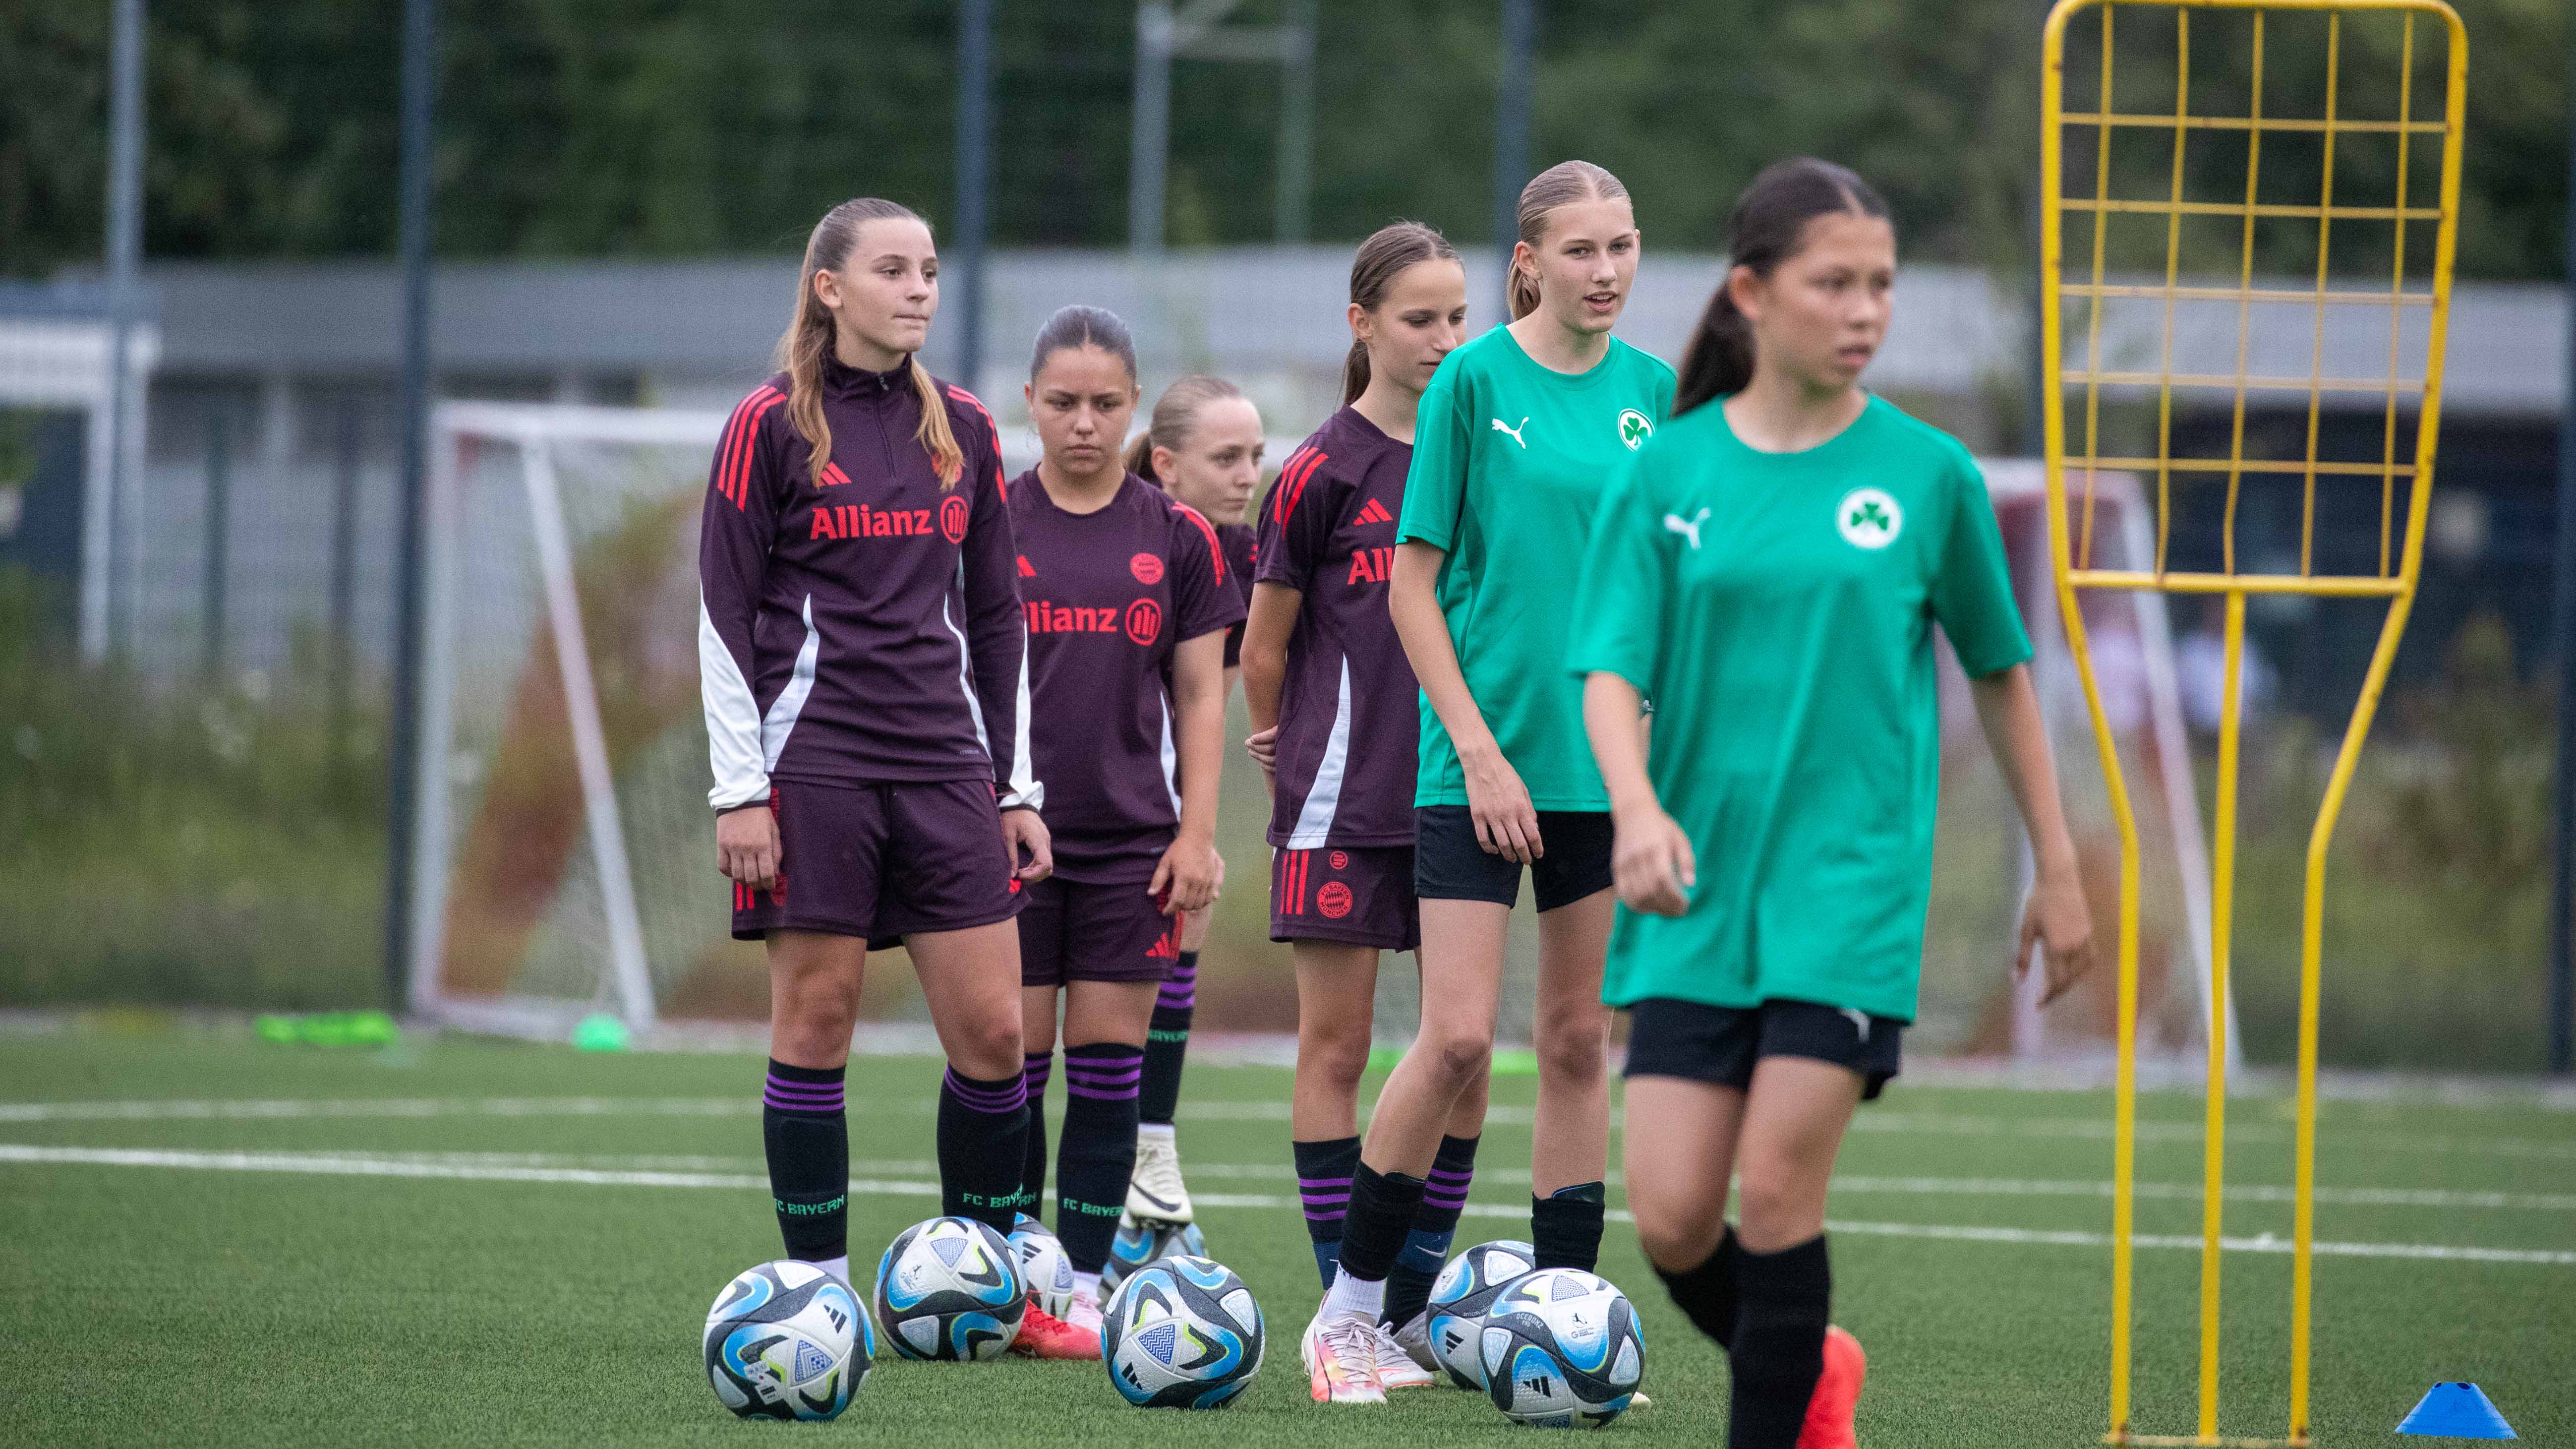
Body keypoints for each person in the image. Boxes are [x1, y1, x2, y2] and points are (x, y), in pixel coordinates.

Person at [1568, 157, 2098, 1449]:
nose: (1864, 309)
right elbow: (1605, 670)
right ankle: (1812, 1368)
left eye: (1881, 285)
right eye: (1834, 283)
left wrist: (2060, 862)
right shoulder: (1669, 471)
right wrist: (1634, 809)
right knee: (1676, 1218)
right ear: (1752, 293)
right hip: (1693, 894)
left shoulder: (1928, 478)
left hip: (1845, 891)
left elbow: (2002, 673)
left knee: (1771, 1191)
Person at [1303, 161, 1676, 1402]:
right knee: (1459, 1037)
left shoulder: (1656, 397)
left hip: (1601, 778)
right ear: (1528, 262)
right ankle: (1350, 1318)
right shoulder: (1472, 382)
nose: (1608, 271)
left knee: (1578, 1043)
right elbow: (1414, 585)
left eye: (1623, 246)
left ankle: (1571, 1309)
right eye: (1581, 250)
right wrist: (1476, 748)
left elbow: (1664, 594)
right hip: (1473, 767)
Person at [700, 198, 1051, 1307]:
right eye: (893, 270)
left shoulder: (968, 428)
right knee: (817, 1018)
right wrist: (739, 789)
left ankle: (984, 1286)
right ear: (829, 288)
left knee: (996, 1032)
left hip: (948, 762)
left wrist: (1015, 787)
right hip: (813, 765)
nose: (918, 290)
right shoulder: (768, 426)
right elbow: (719, 611)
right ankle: (817, 1294)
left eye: (930, 271)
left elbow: (999, 617)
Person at [1241, 221, 1490, 1401]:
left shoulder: (1488, 450)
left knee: (1465, 1055)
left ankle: (1406, 1309)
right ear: (1363, 327)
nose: (1445, 341)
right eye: (1420, 320)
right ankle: (1342, 1312)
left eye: (1459, 319)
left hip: (1458, 793)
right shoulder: (1316, 471)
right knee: (1338, 1047)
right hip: (1339, 798)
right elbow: (1266, 650)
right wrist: (1282, 749)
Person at [1008, 306, 1241, 1355]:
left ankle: (1089, 1285)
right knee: (1006, 1063)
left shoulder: (1177, 533)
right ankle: (1011, 1271)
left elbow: (1201, 697)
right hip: (1006, 840)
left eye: (1106, 404)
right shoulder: (989, 520)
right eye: (1064, 403)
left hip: (1131, 846)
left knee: (1106, 1070)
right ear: (1031, 404)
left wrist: (1197, 837)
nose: (1086, 423)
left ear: (1135, 408)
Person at [1119, 375, 1265, 1225]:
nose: (1248, 473)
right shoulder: (1116, 529)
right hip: (1072, 780)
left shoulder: (1244, 550)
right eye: (1228, 457)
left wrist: (1192, 820)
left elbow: (1214, 689)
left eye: (1255, 455)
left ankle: (1152, 1146)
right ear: (1169, 466)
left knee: (1187, 918)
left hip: (1164, 775)